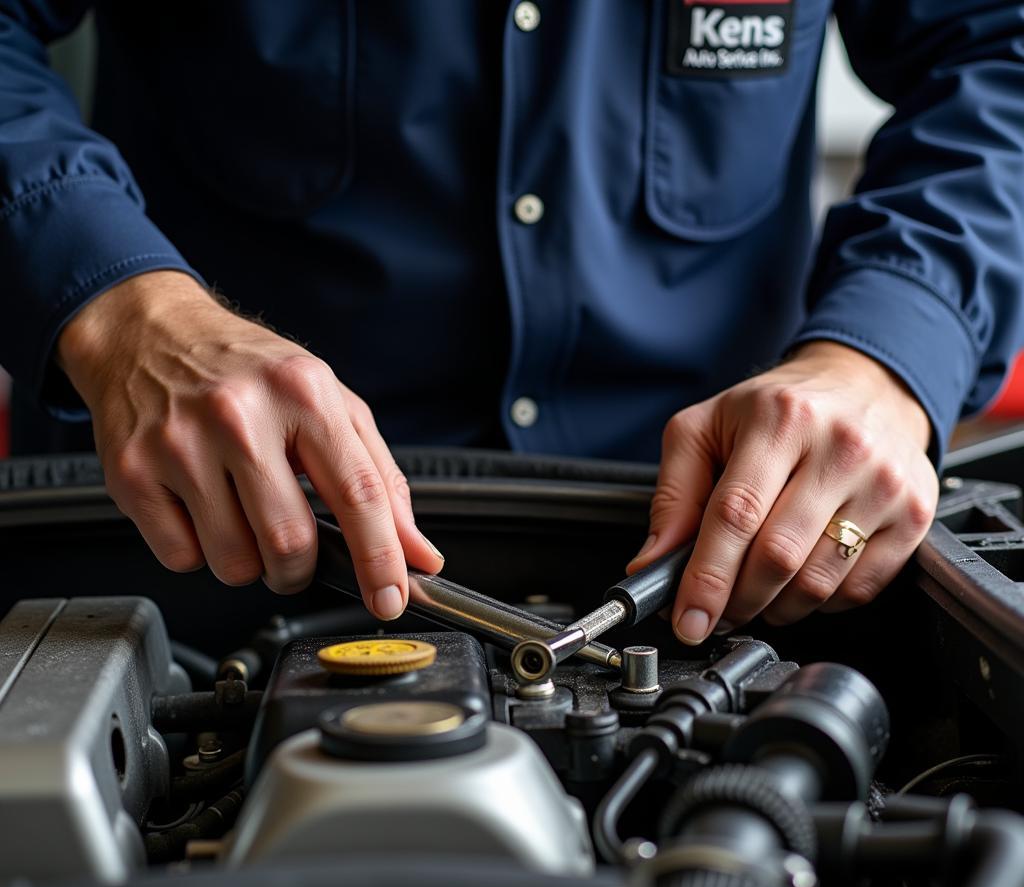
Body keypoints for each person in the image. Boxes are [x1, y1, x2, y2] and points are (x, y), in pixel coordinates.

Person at [1, 2, 1021, 644]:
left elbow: (996, 49)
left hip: (730, 570)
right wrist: (122, 311)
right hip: (196, 547)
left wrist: (886, 352)